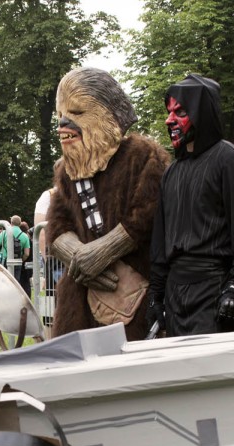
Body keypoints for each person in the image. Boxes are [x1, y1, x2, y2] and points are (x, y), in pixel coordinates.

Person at [146, 74, 234, 446]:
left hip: (214, 284)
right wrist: (157, 296)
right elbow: (162, 240)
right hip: (178, 287)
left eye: (180, 111)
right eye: (169, 111)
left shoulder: (230, 161)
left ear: (201, 114)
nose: (170, 120)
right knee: (182, 380)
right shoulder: (173, 172)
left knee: (212, 381)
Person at [47, 67, 171, 341]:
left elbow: (147, 213)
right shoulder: (68, 170)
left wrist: (104, 251)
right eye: (60, 114)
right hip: (79, 297)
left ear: (107, 116)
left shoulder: (142, 156)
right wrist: (79, 257)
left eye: (77, 112)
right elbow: (57, 225)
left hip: (133, 291)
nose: (63, 123)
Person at [0, 215, 32, 295]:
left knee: (5, 282)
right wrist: (21, 259)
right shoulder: (25, 236)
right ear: (20, 224)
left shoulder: (5, 233)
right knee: (15, 283)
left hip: (5, 260)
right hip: (18, 261)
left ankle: (6, 297)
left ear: (11, 223)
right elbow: (26, 254)